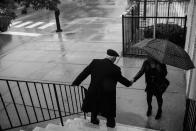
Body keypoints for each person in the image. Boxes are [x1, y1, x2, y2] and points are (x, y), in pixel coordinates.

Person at [72, 49, 132, 128]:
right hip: (107, 95)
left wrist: (75, 83)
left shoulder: (95, 62)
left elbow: (84, 73)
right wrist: (130, 83)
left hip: (93, 92)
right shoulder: (115, 69)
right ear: (113, 58)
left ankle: (94, 120)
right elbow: (123, 81)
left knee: (95, 107)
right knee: (109, 113)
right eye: (115, 58)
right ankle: (110, 125)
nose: (115, 60)